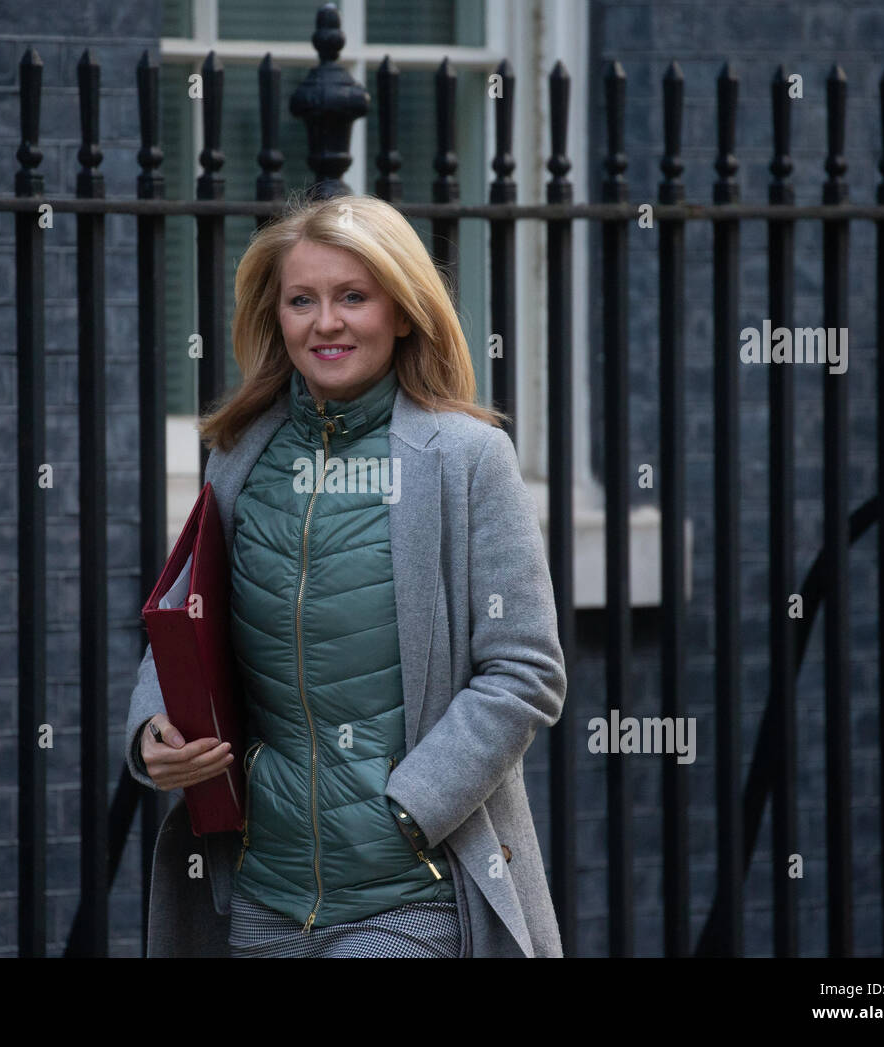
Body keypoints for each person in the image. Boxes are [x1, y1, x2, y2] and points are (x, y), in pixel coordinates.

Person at [124, 192, 567, 958]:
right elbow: (190, 625)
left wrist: (409, 807)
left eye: (352, 297)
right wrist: (152, 731)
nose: (325, 322)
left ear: (402, 311)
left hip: (413, 896)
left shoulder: (467, 459)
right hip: (263, 897)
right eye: (303, 300)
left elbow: (526, 670)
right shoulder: (242, 456)